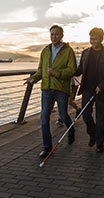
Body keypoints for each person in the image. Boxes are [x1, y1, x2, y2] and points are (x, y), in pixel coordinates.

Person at [25, 25, 77, 158]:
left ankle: (71, 130)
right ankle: (47, 147)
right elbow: (41, 70)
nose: (54, 37)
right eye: (52, 34)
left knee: (63, 115)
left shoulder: (68, 51)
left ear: (62, 35)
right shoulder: (45, 50)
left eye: (57, 34)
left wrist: (56, 73)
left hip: (61, 89)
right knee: (44, 117)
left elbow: (72, 71)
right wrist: (33, 79)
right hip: (47, 89)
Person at [75, 27, 104, 153]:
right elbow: (79, 70)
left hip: (101, 91)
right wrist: (64, 72)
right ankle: (93, 133)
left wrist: (102, 86)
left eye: (95, 39)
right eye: (91, 38)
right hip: (87, 89)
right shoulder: (86, 53)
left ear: (101, 39)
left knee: (100, 118)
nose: (92, 41)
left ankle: (100, 143)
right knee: (86, 114)